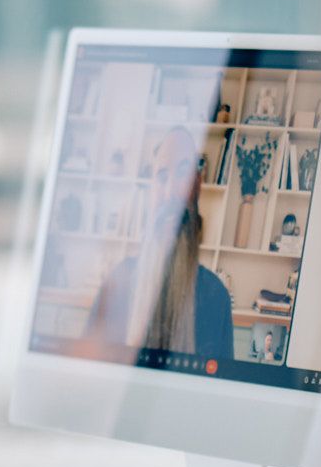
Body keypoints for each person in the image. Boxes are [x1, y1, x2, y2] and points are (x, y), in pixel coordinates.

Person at [85, 127, 234, 360]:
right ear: (151, 190)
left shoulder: (217, 298)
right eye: (162, 177)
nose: (170, 192)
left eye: (183, 175)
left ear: (197, 187)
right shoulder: (117, 285)